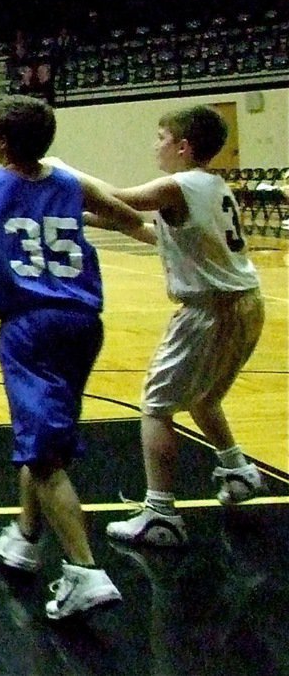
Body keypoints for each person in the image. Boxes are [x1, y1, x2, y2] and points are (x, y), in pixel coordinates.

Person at [0, 95, 141, 619]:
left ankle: (84, 571)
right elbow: (132, 217)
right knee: (45, 435)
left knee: (43, 455)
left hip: (28, 326)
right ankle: (25, 537)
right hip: (84, 324)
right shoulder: (71, 182)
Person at [64, 105, 265, 547]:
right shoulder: (210, 186)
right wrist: (79, 218)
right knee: (204, 396)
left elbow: (117, 196)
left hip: (209, 311)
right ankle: (237, 469)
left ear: (182, 146)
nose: (155, 145)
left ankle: (160, 514)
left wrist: (60, 172)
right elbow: (143, 228)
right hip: (247, 303)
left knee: (156, 406)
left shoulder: (177, 184)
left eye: (160, 137)